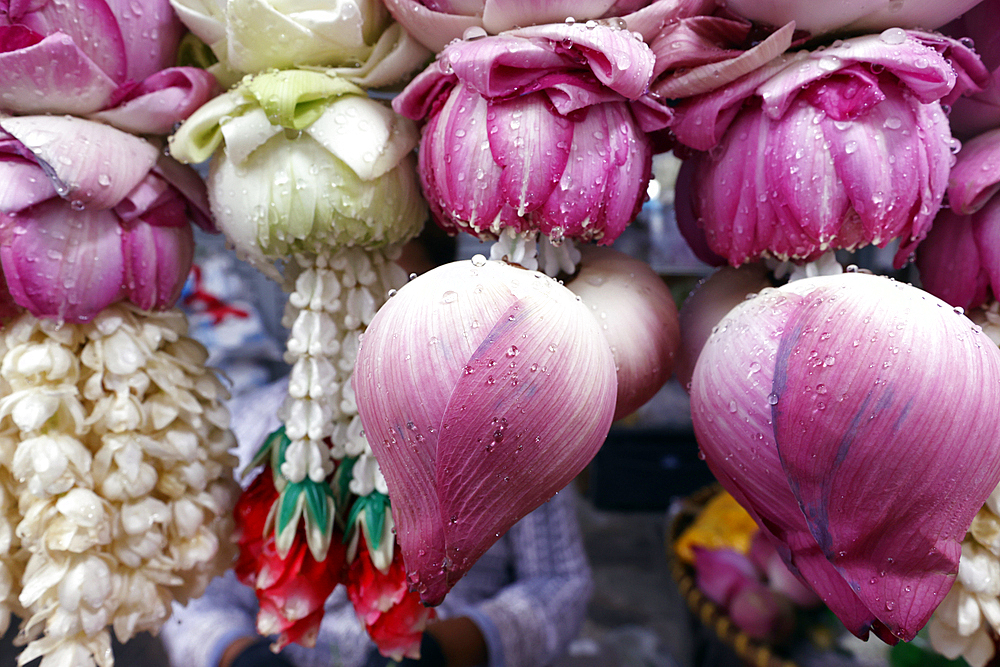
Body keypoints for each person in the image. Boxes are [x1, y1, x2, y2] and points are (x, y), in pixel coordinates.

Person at [160, 377, 595, 667]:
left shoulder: (504, 432)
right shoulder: (249, 425)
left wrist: (452, 647)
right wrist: (238, 654)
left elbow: (559, 583)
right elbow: (192, 599)